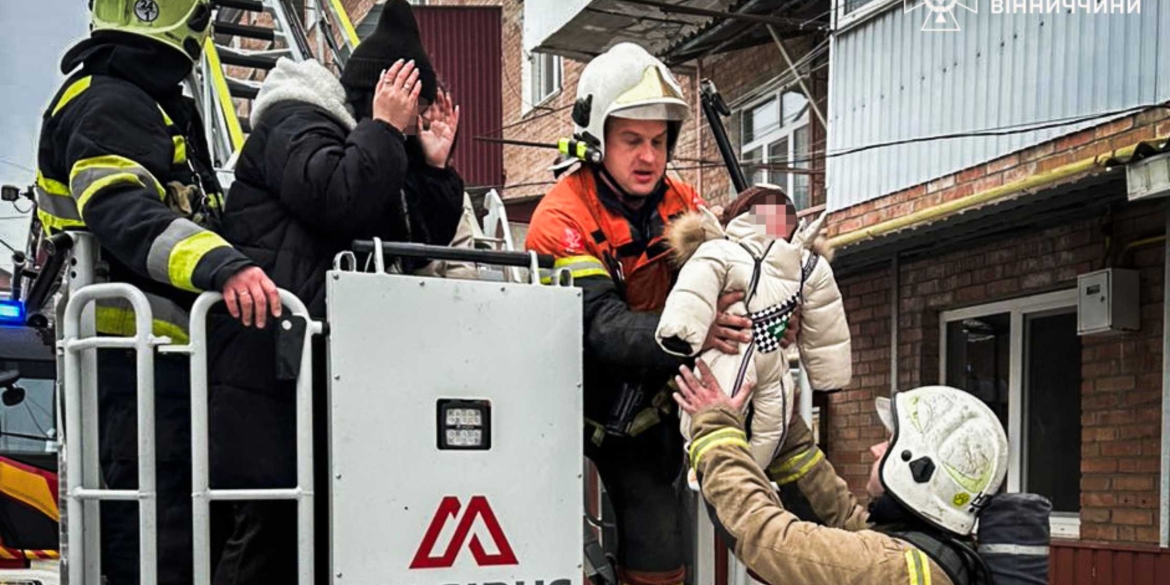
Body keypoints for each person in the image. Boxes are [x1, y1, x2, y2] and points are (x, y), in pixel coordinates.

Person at [207, 1, 464, 582]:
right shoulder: (295, 119)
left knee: (329, 540)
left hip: (326, 379)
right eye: (412, 108)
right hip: (266, 375)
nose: (415, 120)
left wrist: (432, 168)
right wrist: (383, 131)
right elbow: (337, 197)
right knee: (268, 536)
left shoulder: (371, 145)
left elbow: (413, 241)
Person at [34, 1, 282, 582]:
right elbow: (120, 207)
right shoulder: (111, 103)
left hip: (153, 372)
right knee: (151, 545)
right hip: (133, 373)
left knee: (172, 535)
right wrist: (224, 266)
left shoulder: (141, 101)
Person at [525, 42, 751, 585]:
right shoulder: (562, 215)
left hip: (647, 418)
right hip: (559, 414)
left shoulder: (683, 203)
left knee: (659, 560)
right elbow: (601, 328)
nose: (648, 156)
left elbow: (729, 281)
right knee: (542, 557)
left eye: (657, 141)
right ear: (597, 139)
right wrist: (700, 331)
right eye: (631, 140)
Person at [673, 360, 1010, 585]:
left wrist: (715, 426)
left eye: (889, 442)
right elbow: (842, 517)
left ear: (920, 470)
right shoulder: (932, 553)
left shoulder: (890, 569)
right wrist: (786, 430)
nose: (875, 449)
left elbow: (767, 538)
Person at [656, 183, 851, 482]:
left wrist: (829, 374)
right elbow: (695, 289)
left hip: (769, 356)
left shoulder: (803, 263)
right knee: (715, 409)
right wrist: (683, 331)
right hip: (731, 352)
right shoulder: (723, 251)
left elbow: (825, 316)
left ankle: (748, 477)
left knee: (770, 421)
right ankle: (713, 470)